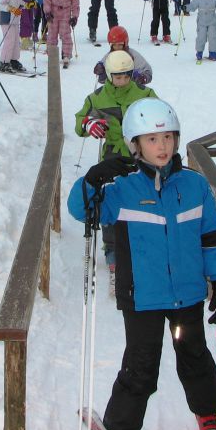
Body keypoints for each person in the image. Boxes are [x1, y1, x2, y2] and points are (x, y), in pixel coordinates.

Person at [68, 98, 216, 430]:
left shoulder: (194, 185)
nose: (163, 146)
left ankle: (208, 412)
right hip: (142, 296)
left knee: (195, 356)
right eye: (153, 140)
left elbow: (211, 236)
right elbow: (81, 211)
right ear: (135, 144)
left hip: (187, 292)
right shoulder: (123, 189)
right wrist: (92, 180)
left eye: (168, 138)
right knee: (141, 365)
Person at [75, 51, 158, 297]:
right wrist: (88, 124)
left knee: (143, 203)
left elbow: (159, 115)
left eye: (126, 76)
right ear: (109, 76)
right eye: (117, 77)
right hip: (112, 158)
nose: (122, 81)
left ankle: (143, 253)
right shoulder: (98, 98)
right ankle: (114, 260)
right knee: (112, 207)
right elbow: (80, 120)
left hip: (140, 157)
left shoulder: (144, 95)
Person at [43, 0, 79, 69]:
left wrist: (74, 16)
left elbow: (75, 4)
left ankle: (66, 54)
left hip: (65, 13)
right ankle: (52, 54)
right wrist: (47, 12)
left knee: (66, 34)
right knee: (52, 35)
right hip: (53, 13)